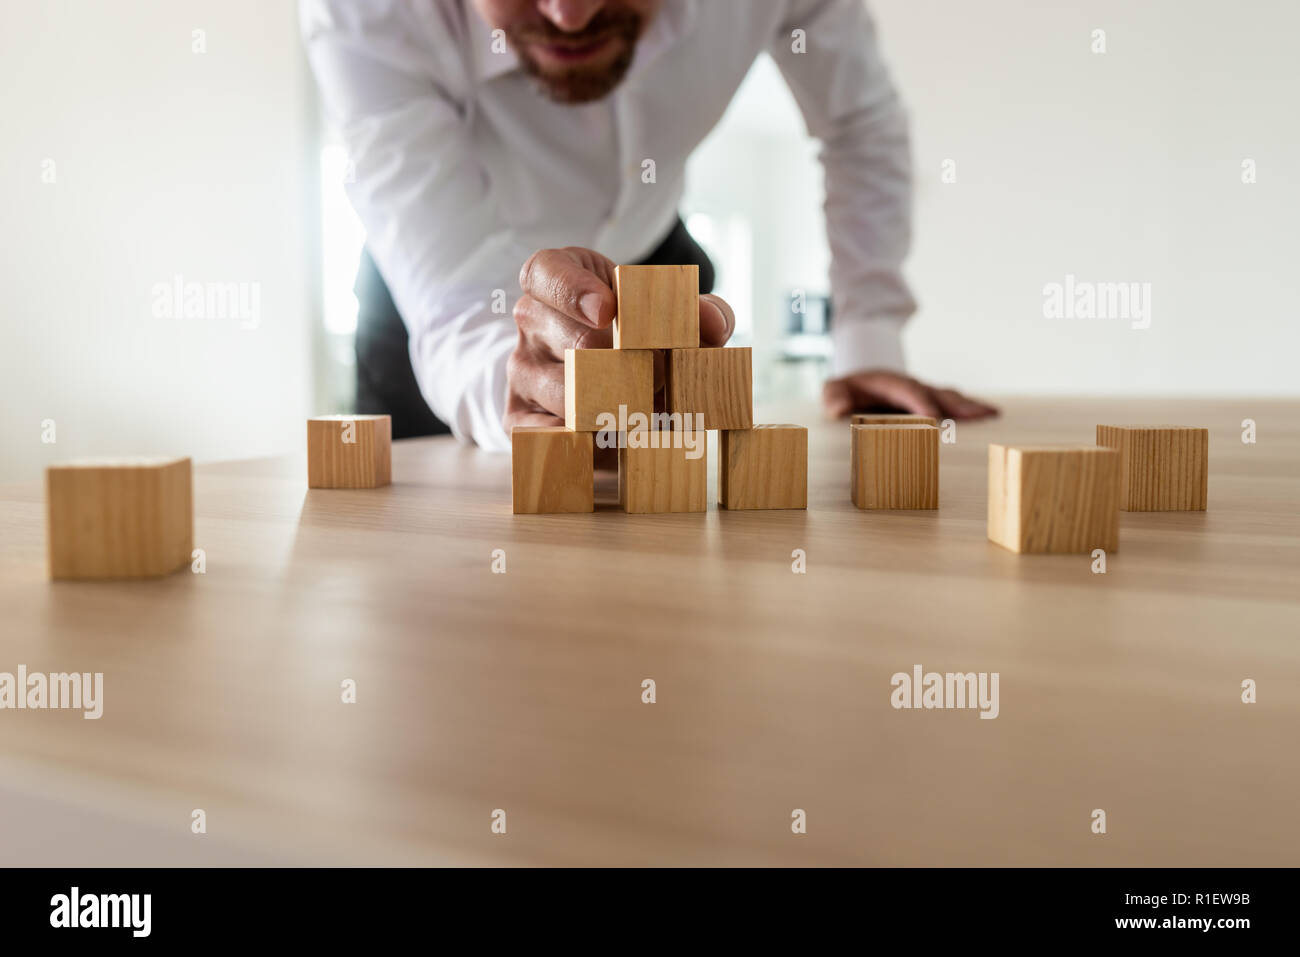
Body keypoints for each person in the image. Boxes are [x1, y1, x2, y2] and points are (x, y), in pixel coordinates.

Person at [301, 0, 997, 447]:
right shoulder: (363, 14)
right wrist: (515, 386)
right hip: (441, 291)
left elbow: (858, 123)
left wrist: (868, 338)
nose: (570, 15)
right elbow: (454, 303)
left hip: (652, 248)